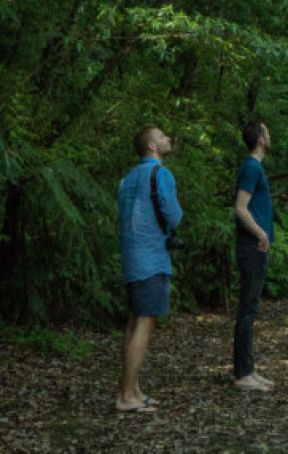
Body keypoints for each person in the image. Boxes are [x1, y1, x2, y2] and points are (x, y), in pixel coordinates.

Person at [115, 126, 181, 413]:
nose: (167, 139)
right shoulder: (161, 174)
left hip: (131, 258)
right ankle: (126, 396)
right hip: (151, 258)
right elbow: (173, 214)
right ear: (152, 146)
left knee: (133, 323)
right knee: (145, 323)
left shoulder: (127, 179)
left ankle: (133, 389)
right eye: (163, 136)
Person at [231, 121, 275, 391]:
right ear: (260, 139)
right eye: (267, 132)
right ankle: (242, 374)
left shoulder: (254, 167)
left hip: (255, 247)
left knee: (251, 308)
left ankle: (248, 369)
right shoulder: (250, 167)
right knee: (247, 310)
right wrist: (261, 234)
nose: (270, 136)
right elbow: (240, 208)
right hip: (251, 247)